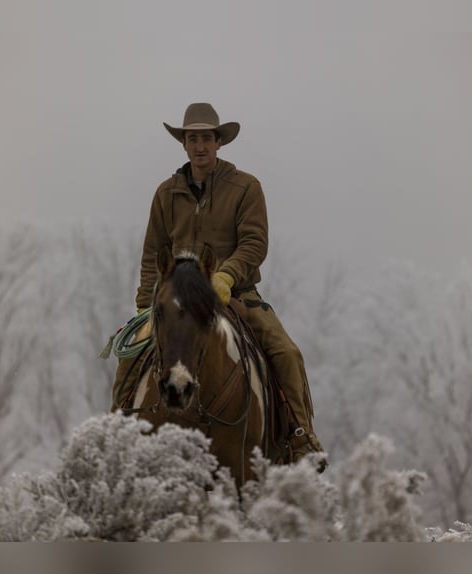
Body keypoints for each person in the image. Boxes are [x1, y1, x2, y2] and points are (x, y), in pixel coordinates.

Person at [113, 102, 324, 463]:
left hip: (235, 294)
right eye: (193, 138)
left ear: (219, 142)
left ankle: (300, 436)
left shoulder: (245, 187)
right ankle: (116, 433)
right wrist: (146, 305)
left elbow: (255, 242)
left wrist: (226, 276)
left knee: (286, 353)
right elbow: (153, 253)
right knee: (128, 357)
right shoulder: (166, 193)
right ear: (183, 143)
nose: (200, 146)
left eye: (207, 138)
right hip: (176, 297)